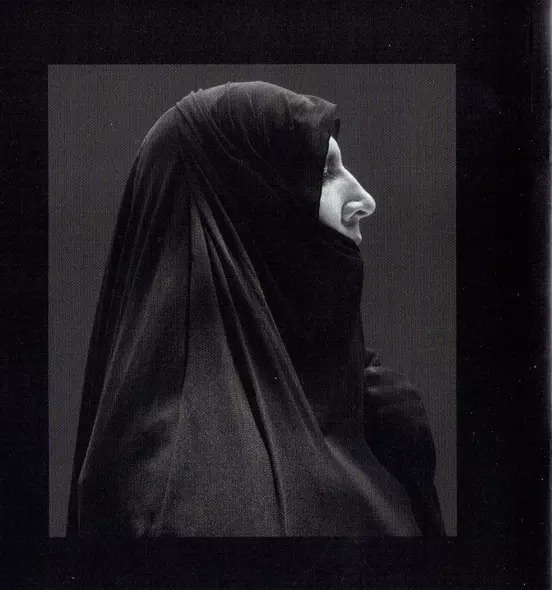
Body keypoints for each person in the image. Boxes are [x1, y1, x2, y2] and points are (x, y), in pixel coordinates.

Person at [67, 81, 445, 537]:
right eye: (325, 173)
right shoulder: (182, 503)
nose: (365, 201)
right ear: (252, 217)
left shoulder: (379, 415)